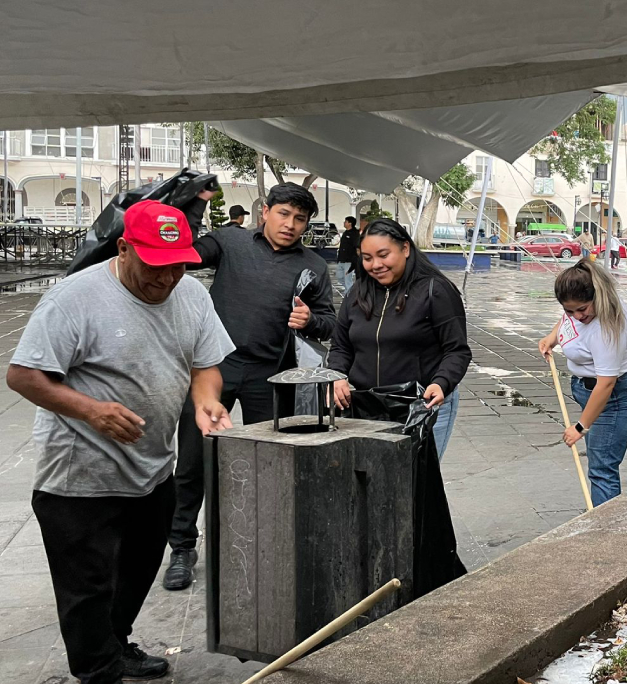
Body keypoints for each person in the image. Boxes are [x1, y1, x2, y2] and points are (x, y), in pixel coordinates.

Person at [6, 201, 235, 684]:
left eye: (179, 265)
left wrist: (206, 401)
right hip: (78, 479)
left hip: (151, 471)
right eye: (156, 265)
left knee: (134, 575)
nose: (168, 277)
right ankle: (99, 671)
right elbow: (23, 375)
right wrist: (92, 410)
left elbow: (204, 364)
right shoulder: (74, 298)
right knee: (87, 590)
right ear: (125, 248)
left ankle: (117, 644)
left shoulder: (191, 295)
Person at [162, 182, 336, 591]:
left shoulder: (313, 265)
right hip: (213, 370)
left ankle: (265, 546)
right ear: (265, 211)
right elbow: (186, 252)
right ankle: (182, 548)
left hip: (270, 378)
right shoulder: (231, 242)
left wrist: (310, 320)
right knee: (191, 462)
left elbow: (330, 322)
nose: (290, 225)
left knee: (270, 465)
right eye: (283, 214)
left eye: (299, 219)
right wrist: (193, 205)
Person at [329, 218, 472, 459]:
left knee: (415, 485)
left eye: (384, 255)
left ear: (405, 249)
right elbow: (341, 346)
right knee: (374, 483)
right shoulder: (357, 292)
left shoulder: (435, 291)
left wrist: (441, 382)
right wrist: (336, 376)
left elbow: (457, 350)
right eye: (367, 258)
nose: (375, 265)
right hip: (368, 407)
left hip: (424, 405)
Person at [537, 259, 627, 505]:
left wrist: (579, 427)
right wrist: (552, 337)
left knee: (602, 467)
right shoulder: (580, 308)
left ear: (597, 296)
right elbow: (568, 321)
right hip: (590, 390)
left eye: (582, 309)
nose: (577, 316)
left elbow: (606, 384)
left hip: (617, 395)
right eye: (569, 310)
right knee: (599, 460)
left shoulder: (607, 328)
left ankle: (604, 533)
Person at [336, 215, 360, 294]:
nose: (344, 223)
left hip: (349, 261)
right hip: (341, 259)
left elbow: (356, 246)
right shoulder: (345, 233)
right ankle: (351, 290)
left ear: (350, 223)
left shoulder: (355, 234)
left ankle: (348, 295)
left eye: (346, 221)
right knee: (339, 277)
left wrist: (355, 259)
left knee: (348, 279)